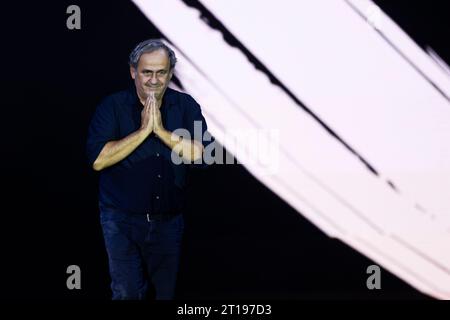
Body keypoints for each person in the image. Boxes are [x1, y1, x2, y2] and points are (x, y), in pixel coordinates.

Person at [86, 39, 210, 300]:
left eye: (161, 72)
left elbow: (198, 154)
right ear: (133, 71)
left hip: (168, 221)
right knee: (126, 292)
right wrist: (143, 132)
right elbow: (98, 159)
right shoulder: (112, 106)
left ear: (170, 73)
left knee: (165, 294)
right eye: (146, 72)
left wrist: (161, 132)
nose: (154, 80)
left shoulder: (186, 106)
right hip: (120, 220)